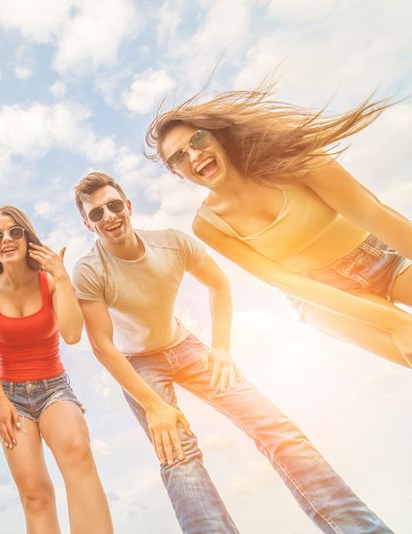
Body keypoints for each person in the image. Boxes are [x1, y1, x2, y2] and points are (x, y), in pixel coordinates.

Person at [71, 171, 391, 533]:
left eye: (113, 205)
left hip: (184, 345)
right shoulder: (88, 271)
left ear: (127, 205)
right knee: (178, 456)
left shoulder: (173, 243)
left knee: (275, 427)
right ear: (88, 224)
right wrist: (153, 405)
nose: (108, 216)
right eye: (96, 213)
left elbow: (219, 284)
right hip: (137, 364)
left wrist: (221, 349)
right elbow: (102, 345)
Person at [144, 88, 412, 366]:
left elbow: (373, 214)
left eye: (198, 139)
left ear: (217, 136)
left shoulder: (288, 159)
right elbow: (285, 281)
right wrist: (396, 324)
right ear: (176, 172)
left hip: (378, 255)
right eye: (179, 157)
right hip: (321, 298)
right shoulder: (207, 226)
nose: (194, 155)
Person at [0, 206, 113, 534]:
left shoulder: (50, 282)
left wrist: (62, 276)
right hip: (10, 396)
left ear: (27, 236)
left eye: (14, 232)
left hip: (54, 388)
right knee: (34, 494)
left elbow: (73, 333)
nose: (6, 240)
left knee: (78, 454)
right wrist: (2, 403)